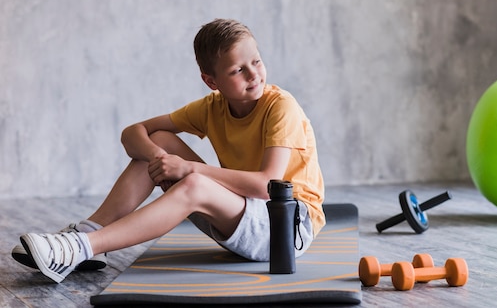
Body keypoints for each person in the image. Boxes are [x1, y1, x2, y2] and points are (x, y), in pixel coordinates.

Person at [12, 18, 326, 283]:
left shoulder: (281, 107)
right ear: (210, 81)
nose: (253, 74)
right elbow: (132, 133)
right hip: (242, 214)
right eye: (237, 70)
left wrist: (189, 168)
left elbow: (267, 186)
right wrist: (160, 159)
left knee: (194, 182)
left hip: (287, 228)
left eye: (256, 61)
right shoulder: (211, 108)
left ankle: (80, 248)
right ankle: (93, 229)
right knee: (160, 139)